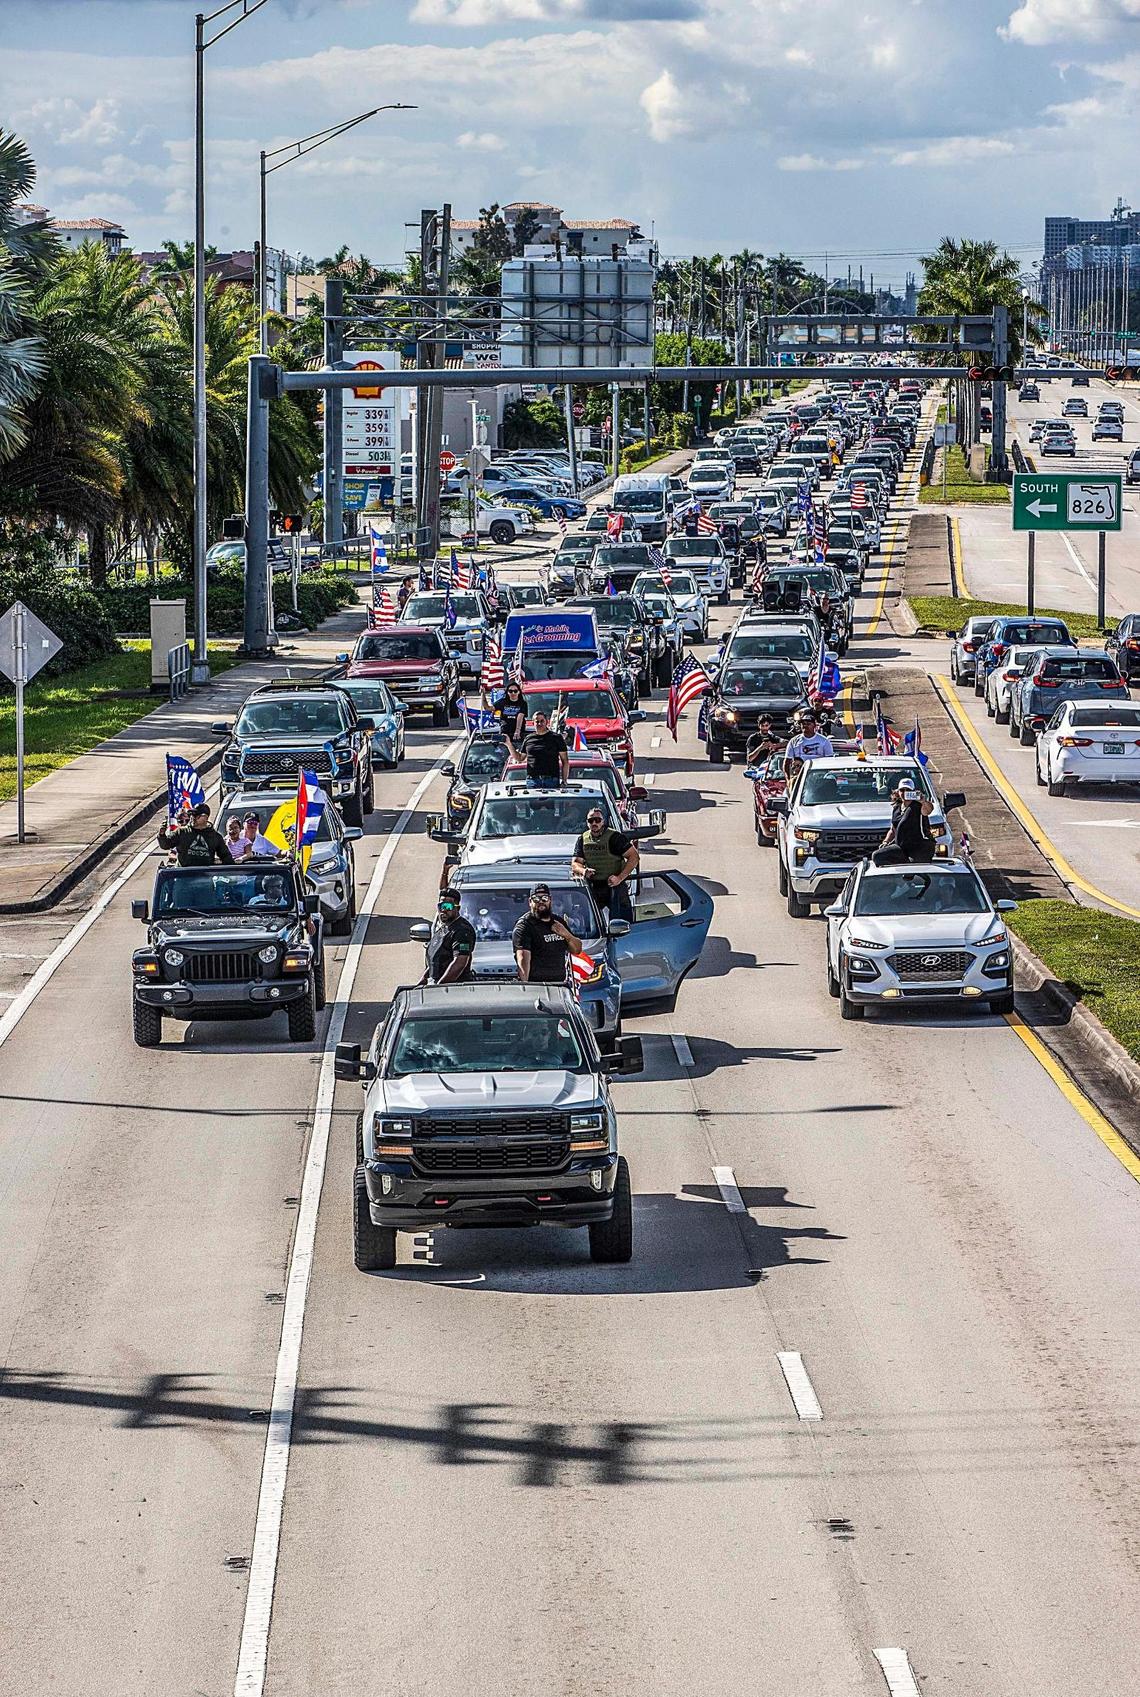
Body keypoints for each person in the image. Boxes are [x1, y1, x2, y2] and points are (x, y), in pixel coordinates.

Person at [572, 807, 639, 919]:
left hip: (615, 887)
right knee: (587, 922)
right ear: (587, 823)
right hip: (593, 887)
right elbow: (575, 863)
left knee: (623, 923)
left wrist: (620, 878)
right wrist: (583, 871)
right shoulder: (583, 839)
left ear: (603, 821)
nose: (594, 823)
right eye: (591, 821)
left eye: (597, 820)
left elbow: (634, 857)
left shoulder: (615, 837)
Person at [512, 883, 583, 985]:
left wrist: (566, 934)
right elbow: (522, 958)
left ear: (550, 900)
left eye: (544, 898)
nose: (541, 902)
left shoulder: (558, 922)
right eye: (536, 899)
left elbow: (577, 950)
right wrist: (526, 986)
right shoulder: (525, 926)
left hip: (560, 985)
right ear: (530, 902)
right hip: (538, 985)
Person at [872, 777, 936, 865]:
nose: (905, 793)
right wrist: (885, 842)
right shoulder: (896, 808)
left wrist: (923, 801)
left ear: (913, 791)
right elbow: (893, 829)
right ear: (898, 792)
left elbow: (928, 810)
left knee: (914, 867)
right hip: (900, 847)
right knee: (877, 856)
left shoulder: (918, 806)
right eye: (902, 790)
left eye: (908, 790)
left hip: (919, 847)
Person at [420, 889, 477, 985]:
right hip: (435, 985)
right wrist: (420, 984)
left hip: (452, 990)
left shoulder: (463, 931)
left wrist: (439, 987)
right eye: (440, 906)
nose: (443, 910)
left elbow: (459, 963)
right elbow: (433, 965)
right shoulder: (442, 929)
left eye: (447, 906)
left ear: (457, 908)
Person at [157, 802, 230, 867]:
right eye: (191, 815)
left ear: (205, 817)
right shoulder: (181, 832)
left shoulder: (215, 837)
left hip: (205, 877)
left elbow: (226, 856)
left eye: (196, 815)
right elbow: (165, 845)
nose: (192, 817)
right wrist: (162, 834)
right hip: (182, 875)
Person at [513, 710, 569, 787]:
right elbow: (520, 758)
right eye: (537, 721)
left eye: (542, 721)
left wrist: (564, 781)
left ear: (547, 722)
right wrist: (509, 744)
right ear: (533, 723)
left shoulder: (556, 738)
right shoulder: (528, 738)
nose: (539, 723)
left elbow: (565, 761)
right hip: (532, 780)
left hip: (552, 780)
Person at [783, 712, 835, 780]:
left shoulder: (824, 741)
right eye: (803, 724)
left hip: (818, 777)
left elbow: (830, 762)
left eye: (808, 724)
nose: (805, 726)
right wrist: (788, 779)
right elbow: (787, 762)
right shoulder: (794, 741)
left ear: (814, 726)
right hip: (799, 777)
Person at [493, 678, 527, 743]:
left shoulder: (522, 703)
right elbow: (488, 708)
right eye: (510, 691)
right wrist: (483, 695)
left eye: (515, 691)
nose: (513, 693)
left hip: (518, 735)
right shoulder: (502, 702)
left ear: (519, 692)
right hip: (505, 732)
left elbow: (520, 717)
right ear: (507, 692)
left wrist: (517, 731)